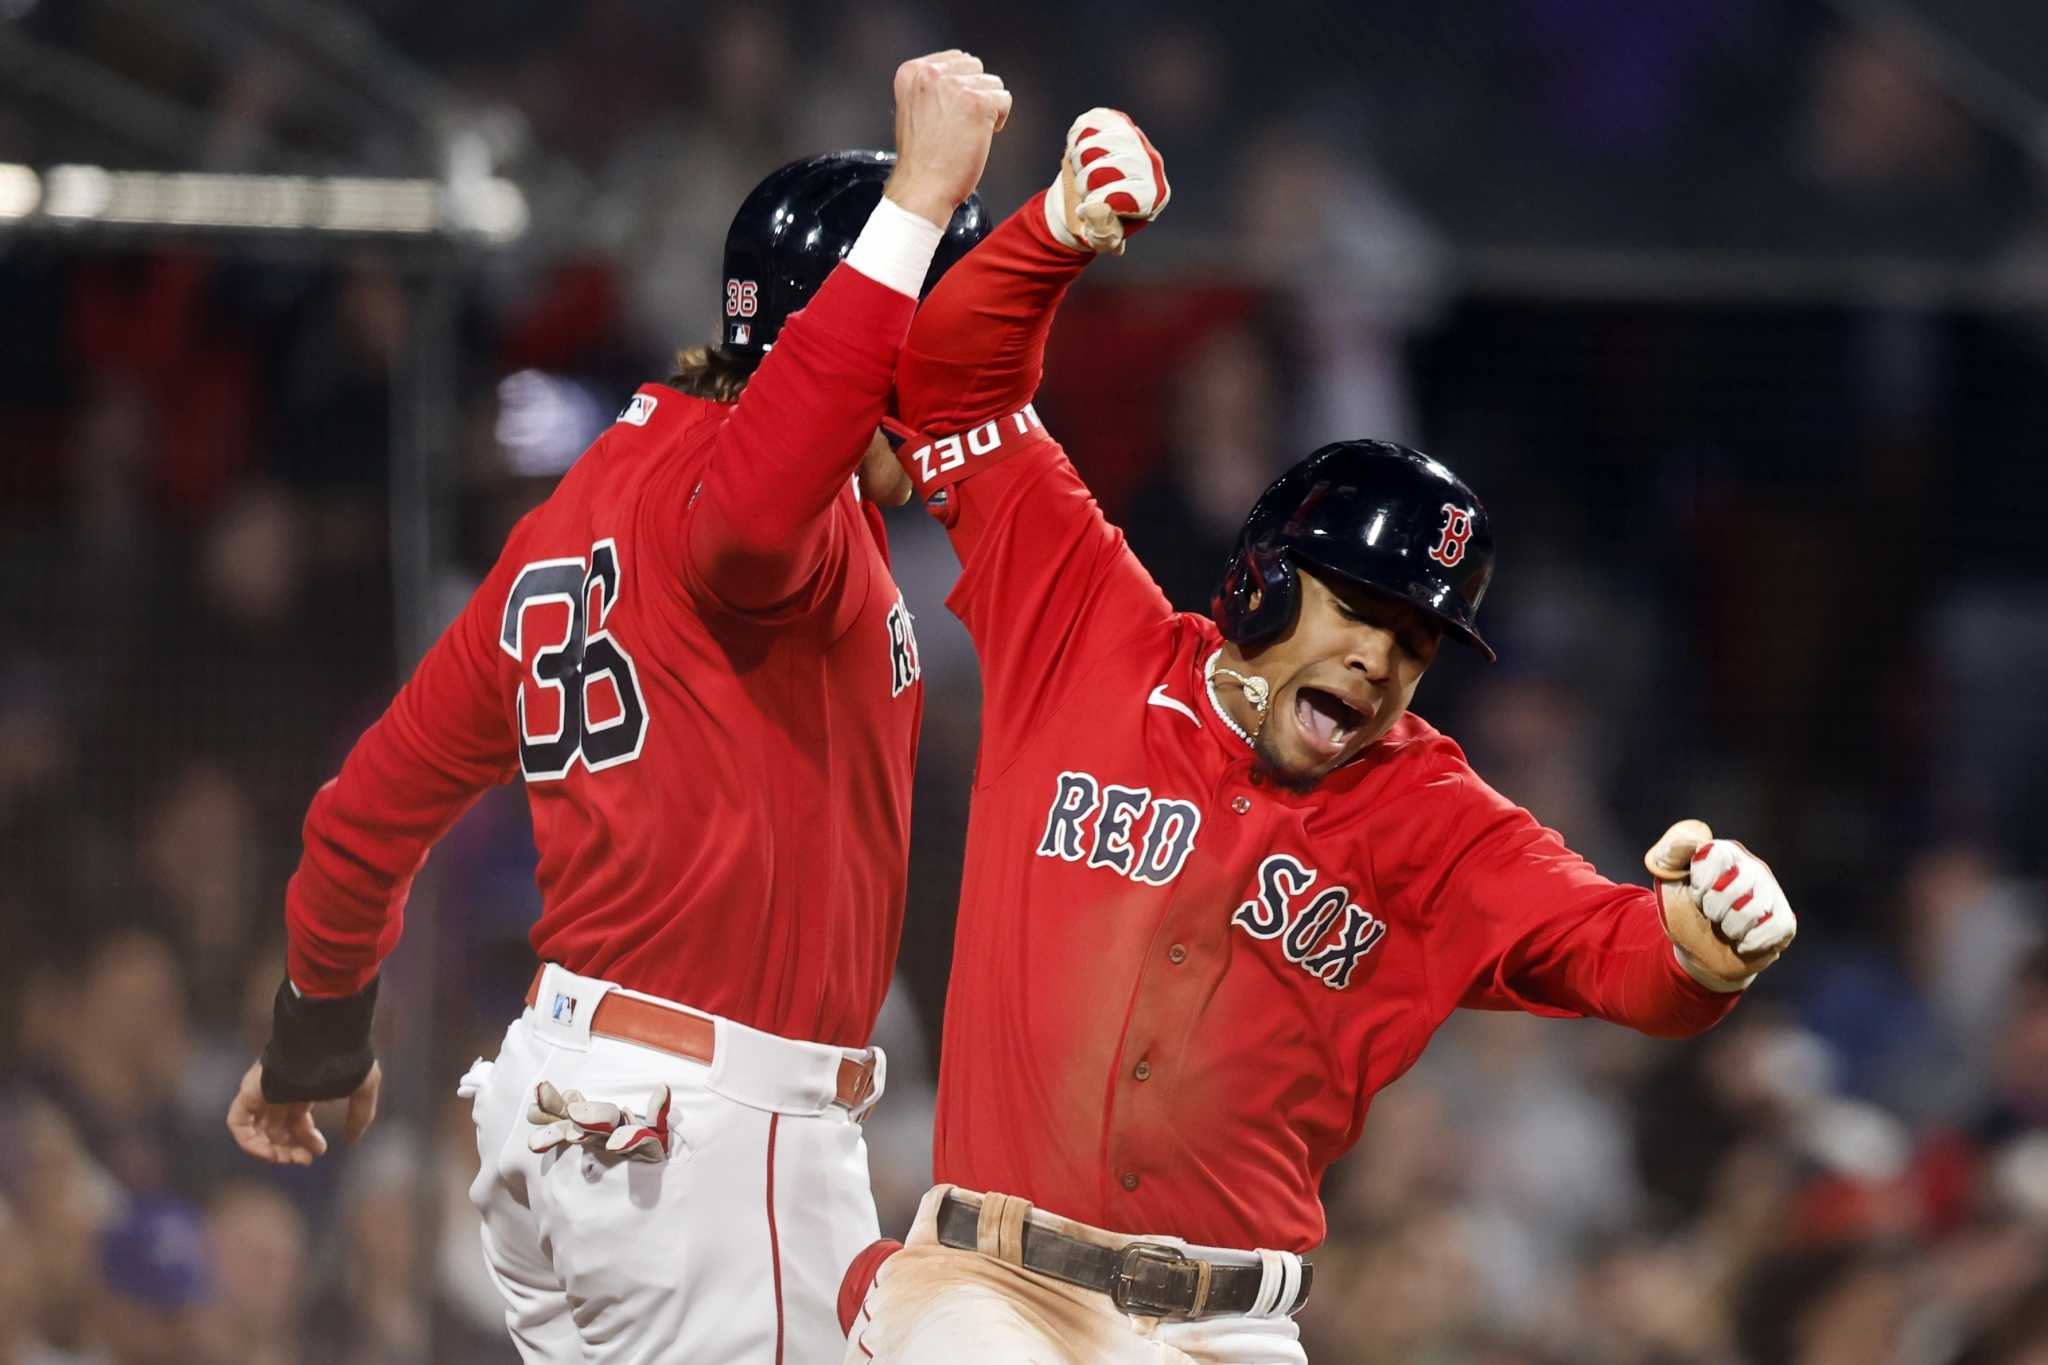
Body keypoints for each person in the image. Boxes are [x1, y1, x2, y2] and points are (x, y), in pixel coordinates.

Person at [843, 109, 1800, 1365]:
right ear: (1259, 582)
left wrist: (1704, 945)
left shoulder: (1432, 817)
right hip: (989, 1294)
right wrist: (1054, 231)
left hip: (1228, 1327)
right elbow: (953, 375)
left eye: (1415, 640)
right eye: (1359, 608)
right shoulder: (1087, 627)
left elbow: (1610, 951)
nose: (1380, 658)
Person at [224, 50, 1011, 1364]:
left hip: (579, 1112)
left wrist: (316, 1037)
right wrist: (920, 200)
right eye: (942, 336)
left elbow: (364, 813)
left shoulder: (577, 514)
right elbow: (764, 497)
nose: (972, 382)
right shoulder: (777, 513)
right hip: (707, 1139)